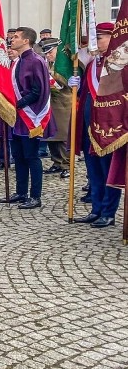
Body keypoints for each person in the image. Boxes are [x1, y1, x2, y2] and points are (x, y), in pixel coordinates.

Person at [0, 27, 55, 209]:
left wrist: (16, 105)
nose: (11, 39)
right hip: (16, 117)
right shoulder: (17, 62)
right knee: (18, 155)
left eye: (16, 37)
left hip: (30, 116)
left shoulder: (36, 61)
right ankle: (21, 192)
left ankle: (35, 196)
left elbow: (38, 92)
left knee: (31, 156)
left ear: (26, 41)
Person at [71, 22, 122, 227]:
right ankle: (97, 208)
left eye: (99, 37)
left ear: (112, 38)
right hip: (88, 126)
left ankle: (109, 212)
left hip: (108, 127)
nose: (95, 41)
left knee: (109, 171)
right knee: (94, 172)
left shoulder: (118, 64)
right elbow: (87, 93)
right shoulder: (93, 63)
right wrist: (75, 83)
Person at [40, 38, 71, 178]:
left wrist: (51, 76)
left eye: (50, 52)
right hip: (50, 104)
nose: (48, 55)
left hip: (63, 104)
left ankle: (67, 164)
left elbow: (67, 82)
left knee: (63, 137)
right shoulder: (47, 63)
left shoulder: (64, 64)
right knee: (51, 136)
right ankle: (56, 162)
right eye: (46, 53)